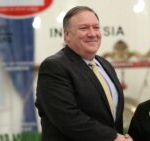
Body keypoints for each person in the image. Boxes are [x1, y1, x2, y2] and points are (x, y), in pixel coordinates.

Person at [35, 6, 132, 141]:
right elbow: (67, 118)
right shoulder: (54, 67)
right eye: (84, 28)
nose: (92, 33)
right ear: (67, 35)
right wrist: (114, 137)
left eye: (96, 27)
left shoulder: (105, 65)